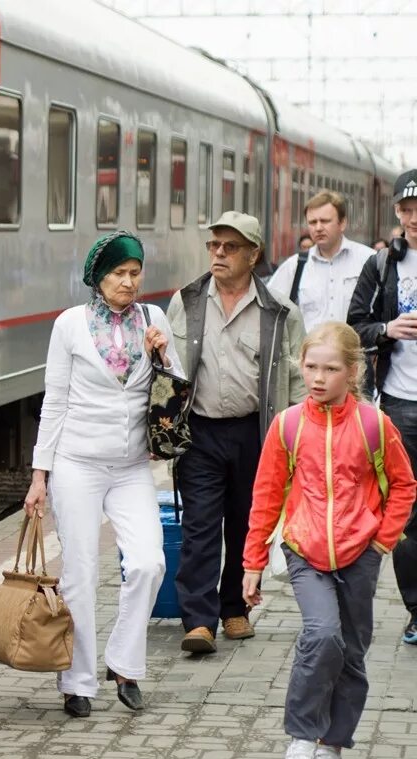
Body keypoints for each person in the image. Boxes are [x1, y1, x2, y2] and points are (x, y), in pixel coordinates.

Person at [242, 322, 416, 759]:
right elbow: (266, 495)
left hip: (361, 554)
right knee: (322, 636)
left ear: (353, 371)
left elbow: (404, 484)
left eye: (330, 369)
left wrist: (382, 541)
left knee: (353, 655)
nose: (317, 377)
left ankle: (332, 747)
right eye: (311, 366)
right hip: (305, 551)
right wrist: (252, 562)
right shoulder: (289, 425)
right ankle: (301, 736)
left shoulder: (375, 425)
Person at [23, 230, 181, 718]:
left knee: (149, 563)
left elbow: (175, 388)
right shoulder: (69, 324)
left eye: (135, 273)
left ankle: (126, 664)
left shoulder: (154, 319)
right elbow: (55, 399)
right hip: (77, 463)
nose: (129, 282)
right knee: (80, 574)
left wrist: (163, 354)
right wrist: (39, 474)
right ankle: (78, 682)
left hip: (132, 464)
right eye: (119, 274)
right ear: (98, 278)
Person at [167, 211, 306, 654]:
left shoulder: (280, 312)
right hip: (201, 432)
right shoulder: (186, 301)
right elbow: (165, 369)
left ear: (253, 254)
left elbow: (299, 378)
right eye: (214, 246)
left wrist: (300, 438)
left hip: (256, 433)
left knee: (247, 525)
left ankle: (235, 610)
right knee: (201, 525)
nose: (219, 254)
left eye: (230, 247)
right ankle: (199, 620)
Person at [347, 168, 417, 645]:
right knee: (407, 514)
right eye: (406, 210)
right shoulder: (383, 266)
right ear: (396, 212)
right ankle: (416, 609)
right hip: (399, 401)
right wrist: (386, 330)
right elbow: (355, 324)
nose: (414, 219)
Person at [269, 192, 375, 332]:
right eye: (312, 222)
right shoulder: (295, 266)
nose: (318, 228)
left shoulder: (368, 260)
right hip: (309, 352)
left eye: (325, 221)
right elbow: (268, 309)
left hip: (355, 352)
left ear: (342, 223)